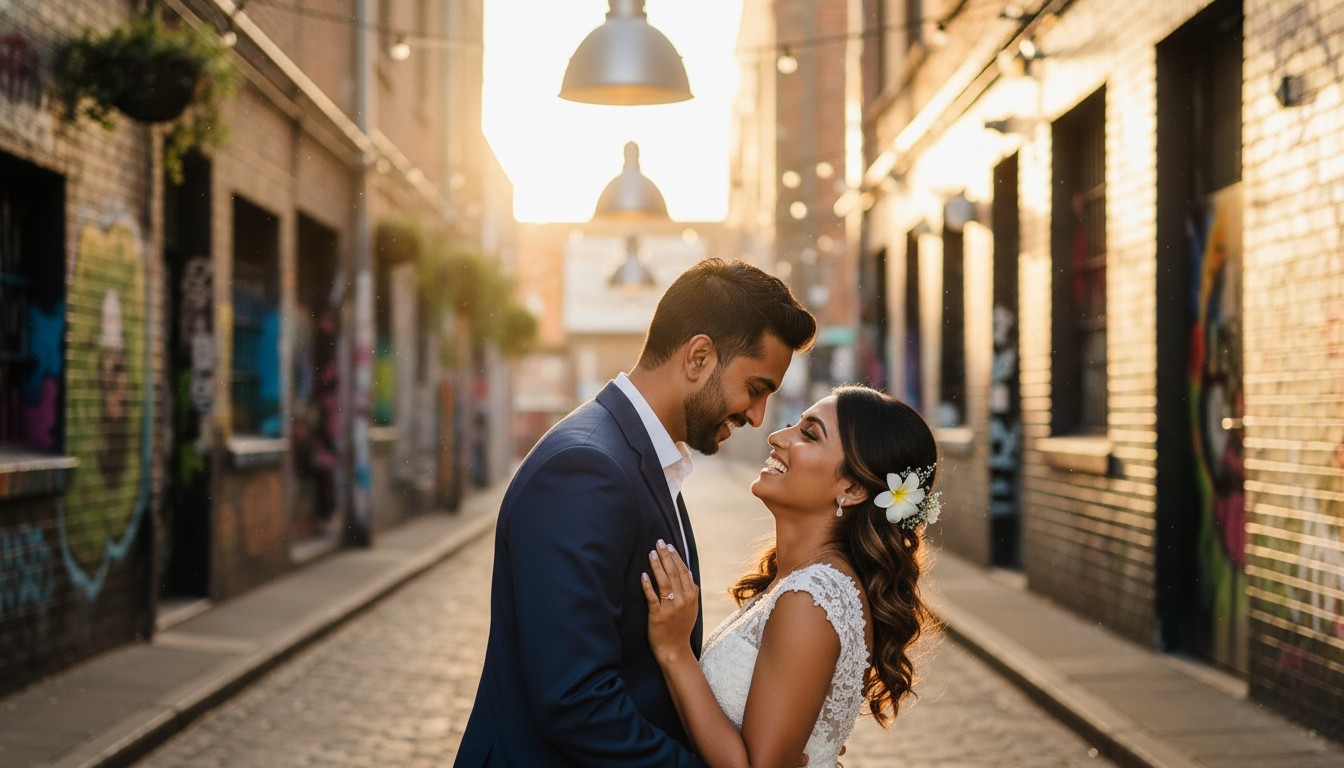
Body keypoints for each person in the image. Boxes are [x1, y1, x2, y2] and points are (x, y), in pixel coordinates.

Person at [455, 258, 817, 767]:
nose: (757, 417)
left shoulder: (641, 455)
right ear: (698, 357)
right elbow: (576, 699)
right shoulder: (586, 468)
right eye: (755, 389)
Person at [642, 385, 940, 768]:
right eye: (793, 424)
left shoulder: (811, 599)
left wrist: (674, 651)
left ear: (852, 488)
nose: (776, 436)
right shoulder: (801, 583)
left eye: (809, 434)